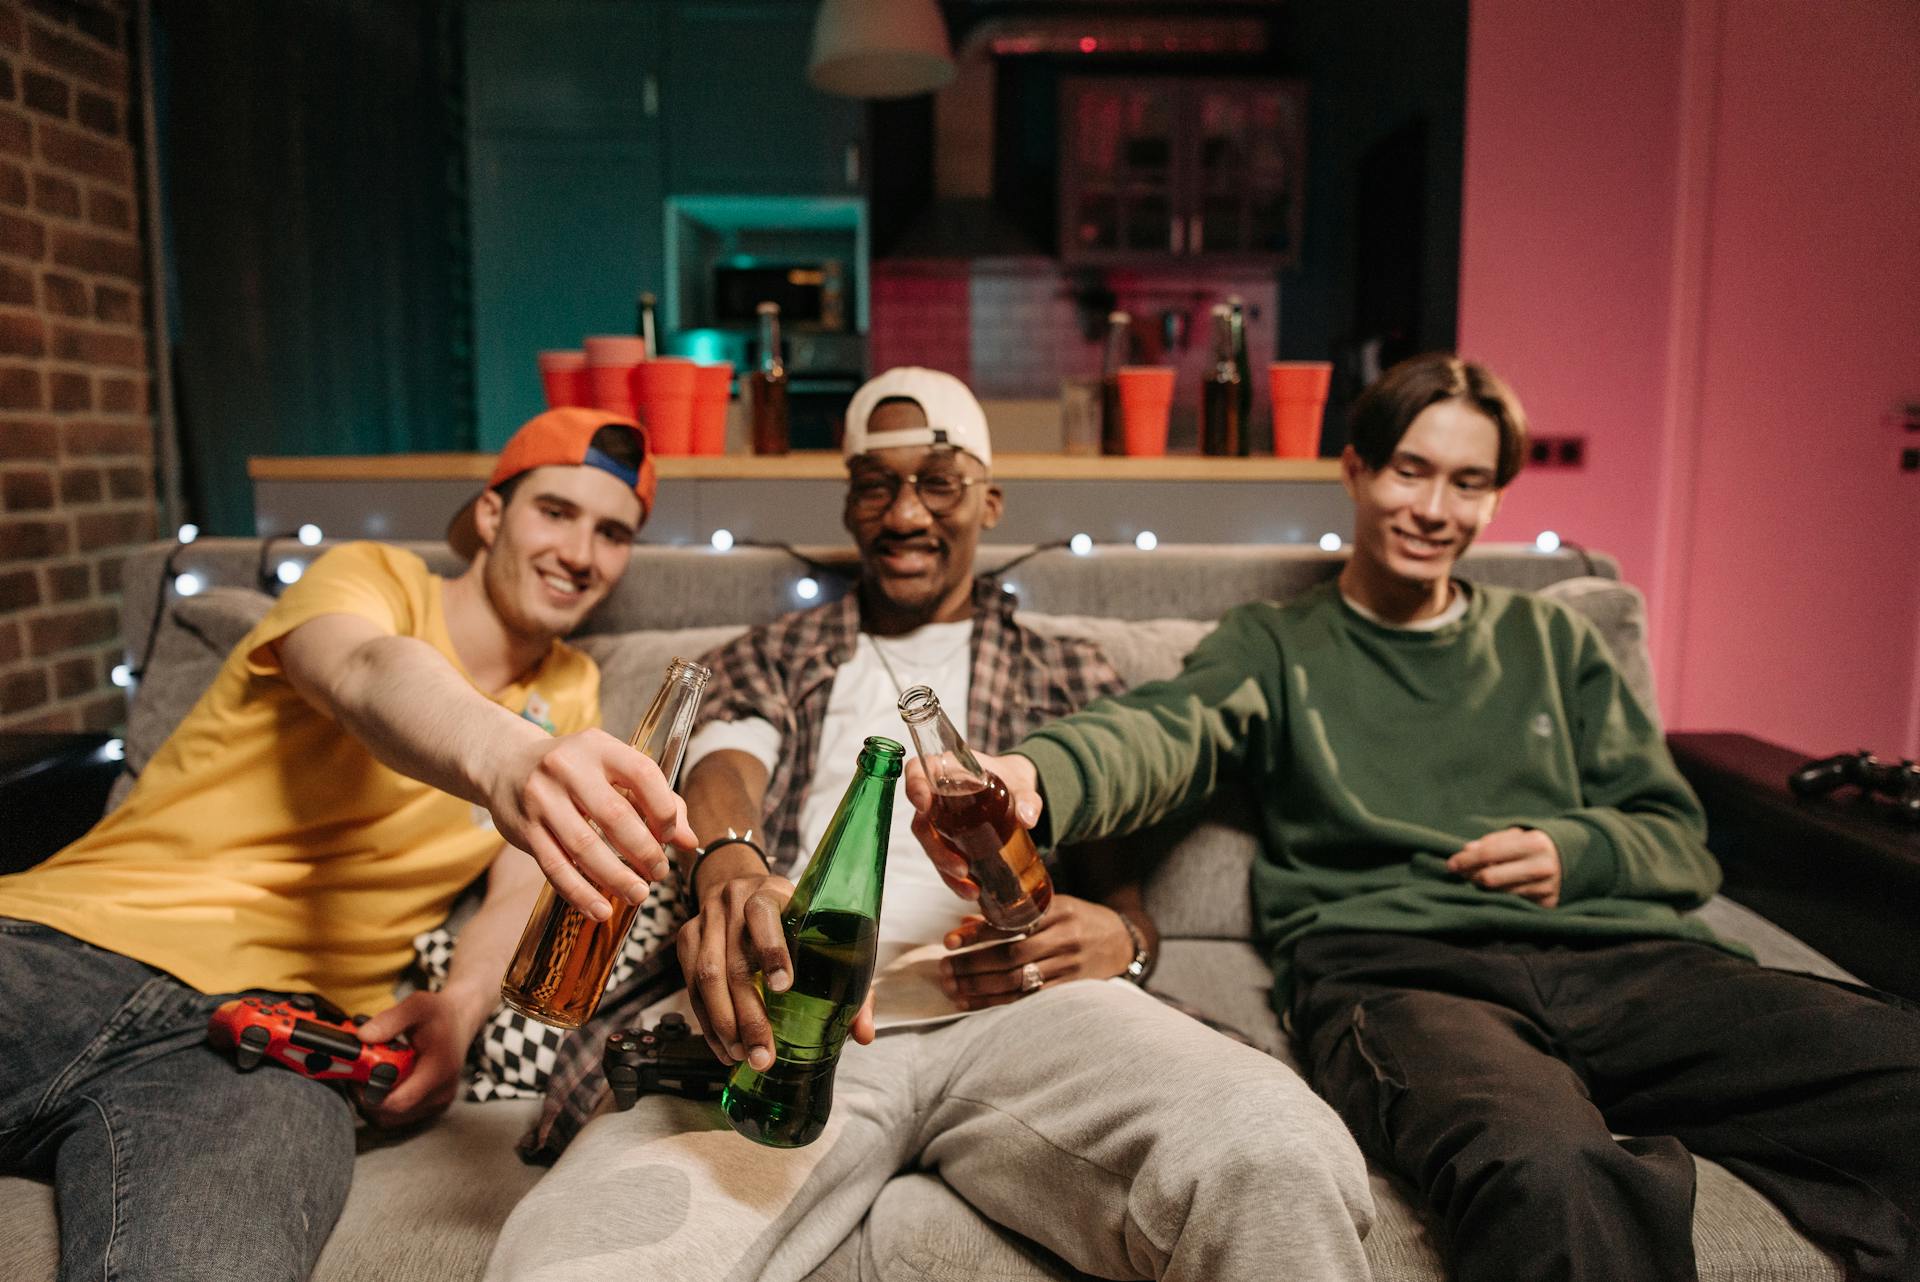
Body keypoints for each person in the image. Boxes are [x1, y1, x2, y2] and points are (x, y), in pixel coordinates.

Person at [907, 353, 1920, 1282]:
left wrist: (1579, 848)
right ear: (1354, 470)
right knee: (1546, 1167)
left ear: (1494, 496)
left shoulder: (1553, 639)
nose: (1434, 507)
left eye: (1468, 482)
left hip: (1629, 967)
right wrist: (1036, 779)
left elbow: (1674, 837)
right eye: (1408, 470)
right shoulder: (1274, 643)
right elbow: (1165, 729)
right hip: (1400, 974)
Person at [488, 367, 1375, 1282]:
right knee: (578, 1258)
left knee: (1274, 1155)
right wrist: (731, 867)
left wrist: (1125, 939)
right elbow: (722, 761)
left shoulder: (1066, 670)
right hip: (792, 1004)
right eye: (877, 485)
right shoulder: (777, 652)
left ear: (988, 503)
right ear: (849, 506)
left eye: (937, 483)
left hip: (1029, 1014)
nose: (905, 513)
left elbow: (1124, 900)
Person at [0, 407, 697, 1282]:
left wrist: (459, 1007)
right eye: (555, 511)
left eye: (613, 533)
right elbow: (365, 673)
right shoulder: (373, 578)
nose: (581, 553)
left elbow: (526, 875)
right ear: (492, 515)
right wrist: (509, 758)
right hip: (68, 948)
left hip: (275, 1044)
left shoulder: (573, 689)